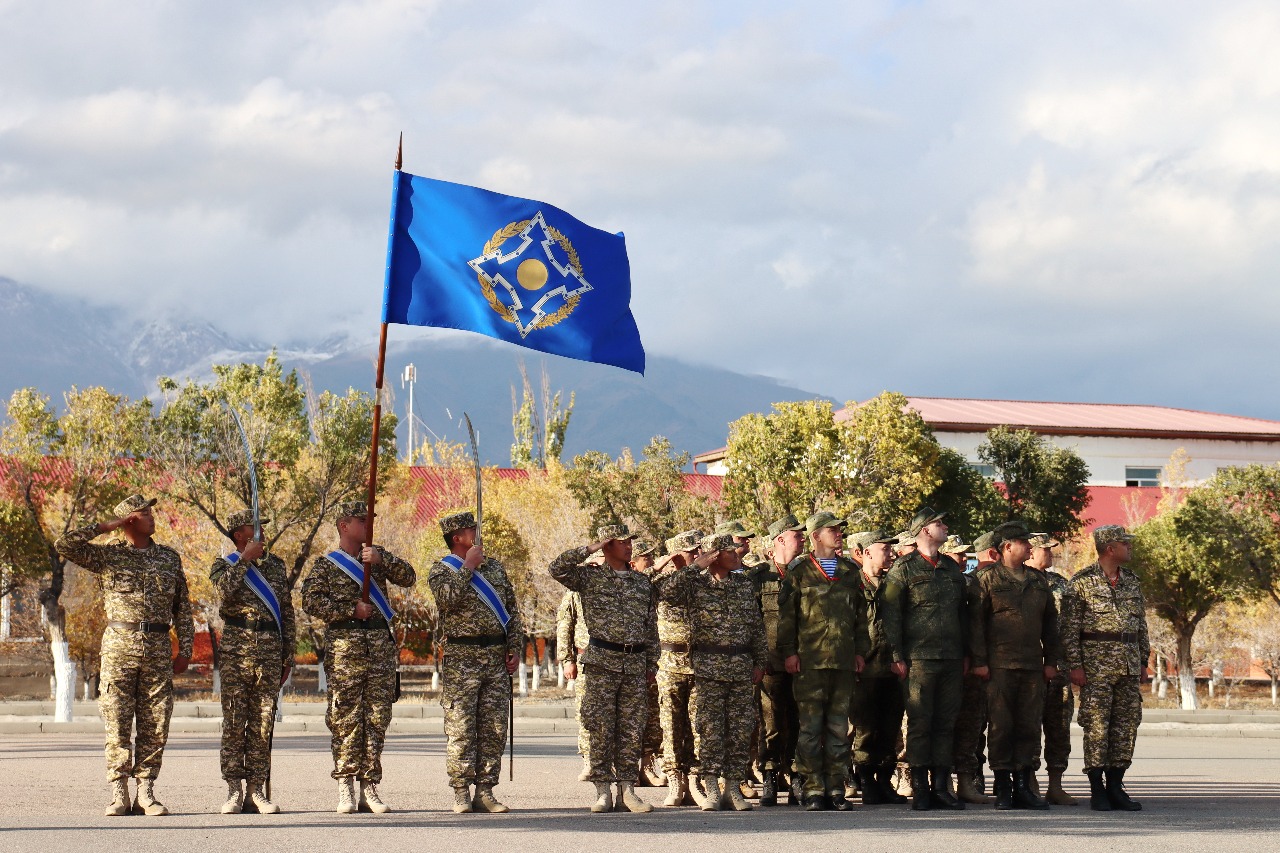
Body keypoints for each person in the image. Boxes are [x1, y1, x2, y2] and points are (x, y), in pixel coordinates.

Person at [55, 495, 194, 817]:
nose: (151, 517)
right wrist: (108, 526)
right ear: (129, 520)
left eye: (150, 512)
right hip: (119, 645)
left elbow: (182, 608)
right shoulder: (108, 557)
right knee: (117, 721)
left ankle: (146, 791)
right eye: (144, 513)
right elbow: (66, 545)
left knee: (156, 723)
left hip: (158, 647)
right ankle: (119, 793)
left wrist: (185, 649)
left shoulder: (169, 558)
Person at [300, 501, 416, 814]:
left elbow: (409, 577)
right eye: (362, 521)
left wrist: (383, 558)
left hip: (379, 646)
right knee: (344, 717)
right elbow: (309, 601)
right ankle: (345, 785)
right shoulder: (326, 564)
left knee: (377, 717)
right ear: (344, 526)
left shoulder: (375, 559)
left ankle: (370, 785)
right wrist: (348, 610)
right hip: (345, 649)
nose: (368, 525)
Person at [550, 524, 659, 813]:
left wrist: (652, 660)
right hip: (601, 662)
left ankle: (627, 790)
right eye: (621, 542)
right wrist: (590, 548)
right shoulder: (589, 577)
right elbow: (557, 568)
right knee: (599, 728)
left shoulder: (641, 583)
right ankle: (602, 791)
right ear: (607, 545)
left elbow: (650, 626)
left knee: (631, 729)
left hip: (634, 663)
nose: (628, 547)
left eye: (629, 542)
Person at [655, 533, 766, 811]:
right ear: (715, 555)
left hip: (740, 666)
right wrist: (695, 566)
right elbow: (665, 592)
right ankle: (712, 788)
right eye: (730, 551)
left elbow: (756, 626)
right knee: (709, 731)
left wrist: (760, 661)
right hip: (707, 669)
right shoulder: (696, 586)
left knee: (740, 731)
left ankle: (733, 788)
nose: (737, 554)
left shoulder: (742, 584)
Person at [428, 511, 523, 814]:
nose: (476, 531)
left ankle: (485, 790)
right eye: (470, 529)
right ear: (456, 538)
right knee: (461, 727)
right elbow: (447, 599)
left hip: (495, 656)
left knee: (494, 727)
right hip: (461, 659)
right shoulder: (442, 570)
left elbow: (512, 610)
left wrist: (515, 647)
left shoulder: (494, 568)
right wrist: (467, 567)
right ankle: (460, 791)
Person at [777, 511, 866, 811]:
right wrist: (789, 652)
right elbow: (787, 617)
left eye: (840, 530)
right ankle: (813, 789)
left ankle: (836, 788)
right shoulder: (799, 571)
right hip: (810, 662)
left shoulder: (850, 571)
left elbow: (860, 618)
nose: (839, 534)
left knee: (839, 730)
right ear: (816, 536)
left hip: (842, 662)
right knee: (811, 729)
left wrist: (859, 652)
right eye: (832, 530)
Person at [880, 506, 967, 811]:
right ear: (925, 531)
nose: (945, 528)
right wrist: (896, 655)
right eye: (940, 524)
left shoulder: (951, 569)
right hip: (918, 660)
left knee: (946, 723)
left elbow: (963, 615)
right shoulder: (903, 569)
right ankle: (920, 787)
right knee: (920, 723)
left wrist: (966, 654)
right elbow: (890, 616)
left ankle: (941, 786)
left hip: (952, 659)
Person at [969, 521, 1059, 810]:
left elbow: (1051, 625)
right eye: (1024, 542)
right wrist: (980, 662)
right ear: (1008, 547)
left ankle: (1023, 785)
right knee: (1001, 726)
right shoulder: (986, 580)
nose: (1030, 547)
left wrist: (1051, 661)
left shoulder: (1037, 581)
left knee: (1028, 727)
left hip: (1032, 665)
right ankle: (1004, 785)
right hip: (999, 666)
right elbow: (975, 625)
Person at [210, 509, 295, 815]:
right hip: (236, 649)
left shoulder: (275, 566)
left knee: (263, 722)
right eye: (254, 526)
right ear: (239, 535)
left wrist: (289, 654)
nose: (261, 530)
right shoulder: (224, 565)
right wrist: (245, 559)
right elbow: (224, 592)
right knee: (234, 722)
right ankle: (234, 790)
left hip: (270, 650)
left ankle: (256, 790)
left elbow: (286, 611)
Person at [1062, 525, 1150, 812]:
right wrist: (1075, 666)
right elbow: (1069, 631)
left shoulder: (1132, 582)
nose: (1130, 547)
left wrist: (1144, 661)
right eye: (1125, 543)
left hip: (1128, 664)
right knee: (1097, 726)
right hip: (1096, 666)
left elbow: (1141, 627)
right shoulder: (1081, 583)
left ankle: (1116, 785)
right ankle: (1097, 788)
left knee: (1126, 726)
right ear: (1110, 548)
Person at [846, 530, 907, 806]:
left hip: (892, 667)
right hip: (865, 667)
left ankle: (885, 780)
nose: (891, 553)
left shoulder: (893, 584)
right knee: (865, 728)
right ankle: (866, 780)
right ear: (867, 552)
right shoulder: (852, 584)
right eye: (885, 548)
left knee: (890, 727)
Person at [749, 514, 805, 807]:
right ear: (780, 540)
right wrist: (758, 660)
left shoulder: (807, 572)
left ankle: (796, 775)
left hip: (802, 662)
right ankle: (770, 774)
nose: (803, 538)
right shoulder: (759, 577)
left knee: (798, 720)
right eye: (797, 535)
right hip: (770, 662)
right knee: (770, 723)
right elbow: (751, 622)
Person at [651, 529, 702, 807]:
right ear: (675, 554)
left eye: (698, 550)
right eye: (691, 550)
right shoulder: (662, 582)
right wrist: (661, 564)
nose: (696, 555)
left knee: (698, 726)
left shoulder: (703, 582)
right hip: (670, 664)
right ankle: (674, 778)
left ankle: (694, 779)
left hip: (700, 664)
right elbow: (646, 582)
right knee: (671, 726)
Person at [953, 528, 1002, 805]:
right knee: (965, 725)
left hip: (994, 665)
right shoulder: (970, 583)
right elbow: (968, 626)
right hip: (970, 666)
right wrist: (973, 658)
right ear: (994, 552)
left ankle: (970, 780)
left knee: (976, 729)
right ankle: (954, 780)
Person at [1027, 532, 1078, 806]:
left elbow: (1072, 626)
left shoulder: (1060, 584)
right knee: (1029, 726)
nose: (1050, 553)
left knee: (1059, 727)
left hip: (1059, 668)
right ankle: (1030, 782)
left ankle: (1056, 784)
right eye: (1045, 549)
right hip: (1029, 666)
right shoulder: (1019, 581)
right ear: (1031, 552)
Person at [631, 540, 666, 787]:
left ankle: (647, 765)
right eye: (647, 558)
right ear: (634, 563)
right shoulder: (629, 584)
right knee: (631, 719)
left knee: (653, 719)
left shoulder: (649, 585)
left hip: (650, 658)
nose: (652, 561)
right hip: (629, 659)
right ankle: (629, 769)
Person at [557, 587, 592, 780]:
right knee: (585, 711)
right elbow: (564, 626)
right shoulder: (576, 592)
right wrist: (567, 659)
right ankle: (588, 760)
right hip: (584, 657)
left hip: (614, 659)